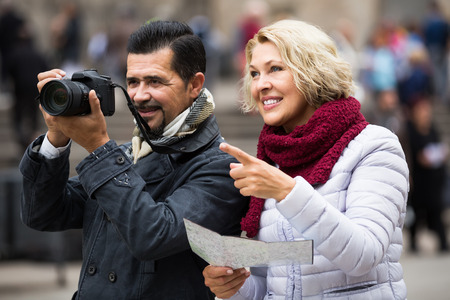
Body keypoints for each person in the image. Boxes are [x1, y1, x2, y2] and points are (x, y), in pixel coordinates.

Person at [19, 20, 248, 299]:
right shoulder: (132, 153)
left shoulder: (221, 165)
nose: (139, 96)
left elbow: (153, 235)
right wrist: (56, 138)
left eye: (155, 81)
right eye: (132, 82)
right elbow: (42, 213)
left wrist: (99, 147)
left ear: (194, 85)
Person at [203, 19, 409, 299]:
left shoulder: (374, 146)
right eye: (254, 73)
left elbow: (364, 255)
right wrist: (234, 286)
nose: (261, 84)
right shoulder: (272, 161)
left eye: (275, 69)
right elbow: (270, 284)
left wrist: (287, 191)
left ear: (313, 71)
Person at [405, 97, 448, 253]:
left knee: (436, 210)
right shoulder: (410, 132)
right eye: (421, 110)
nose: (425, 114)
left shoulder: (433, 130)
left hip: (433, 179)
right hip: (418, 180)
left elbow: (439, 149)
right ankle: (414, 243)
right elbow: (414, 156)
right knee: (416, 213)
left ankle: (443, 242)